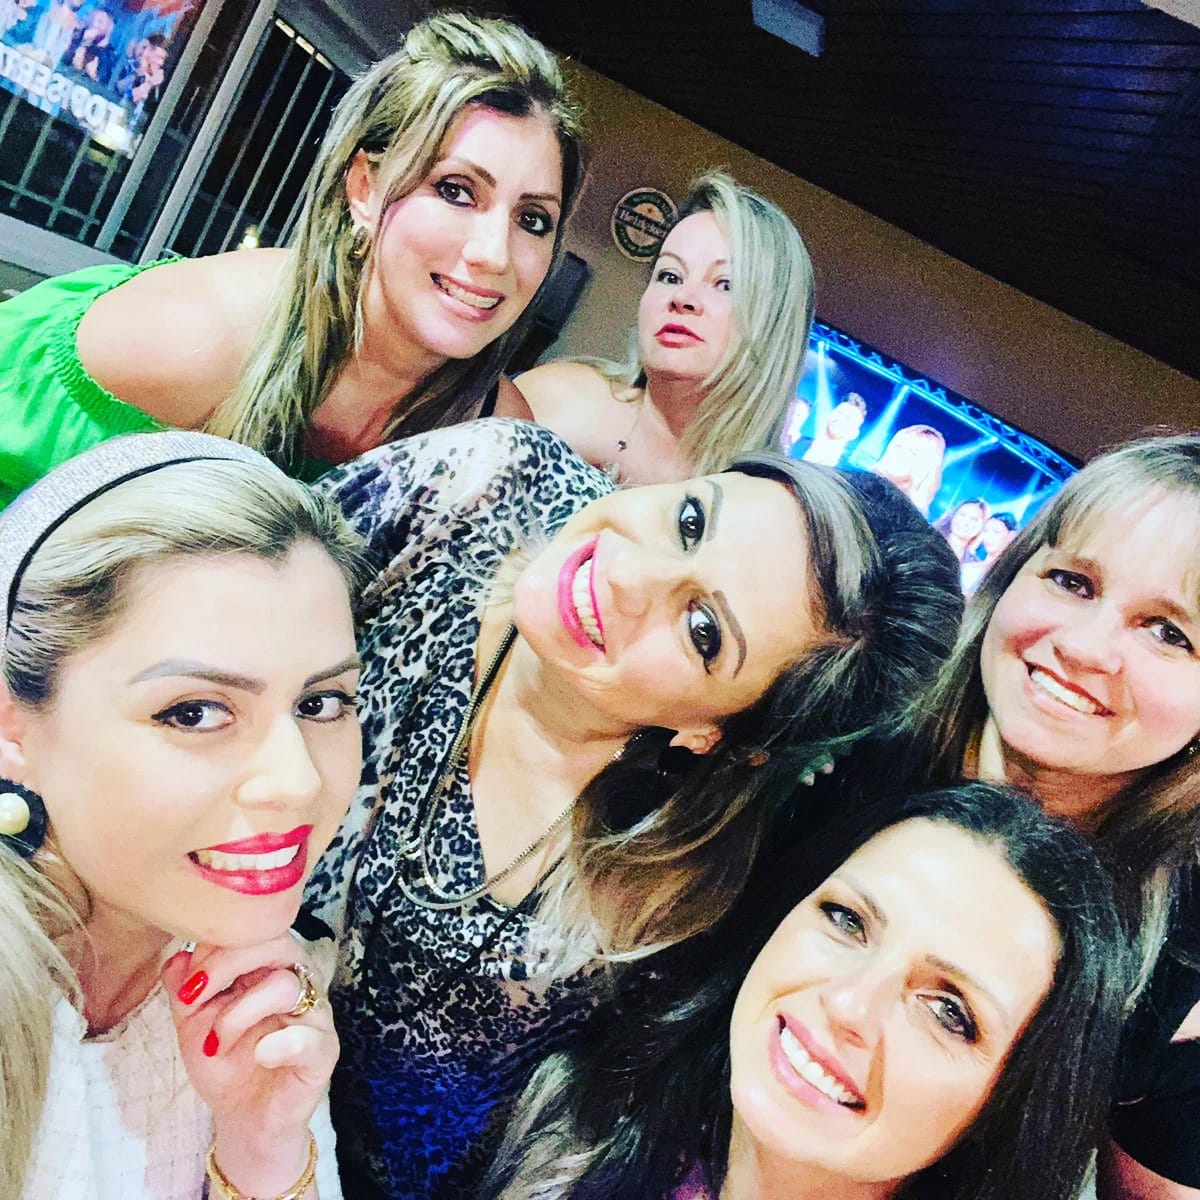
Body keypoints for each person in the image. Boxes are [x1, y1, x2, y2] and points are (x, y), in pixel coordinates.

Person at [302, 418, 963, 1199]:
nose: (626, 573)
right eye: (691, 521)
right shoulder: (483, 485)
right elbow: (214, 595)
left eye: (702, 629)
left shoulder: (657, 906)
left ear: (713, 731)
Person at [0, 11, 585, 507]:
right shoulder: (193, 335)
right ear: (364, 190)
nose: (494, 254)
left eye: (533, 219)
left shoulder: (497, 437)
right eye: (456, 191)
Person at [0, 431, 365, 1198]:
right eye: (195, 712)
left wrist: (263, 1149)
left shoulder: (255, 994)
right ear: (13, 730)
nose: (297, 782)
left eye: (321, 703)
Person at [488, 782, 1130, 1200]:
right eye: (847, 921)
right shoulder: (567, 1121)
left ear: (1010, 1104)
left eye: (948, 1012)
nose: (849, 1004)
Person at [907, 434, 1200, 1199]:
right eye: (1072, 581)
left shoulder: (1185, 961)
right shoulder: (831, 755)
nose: (1084, 646)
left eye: (1169, 632)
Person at [513, 172, 814, 483]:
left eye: (725, 284)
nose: (682, 298)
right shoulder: (559, 396)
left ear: (775, 322)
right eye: (670, 276)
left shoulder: (762, 496)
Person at [872, 424, 945, 516]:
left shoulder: (908, 514)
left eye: (913, 452)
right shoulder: (862, 480)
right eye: (899, 446)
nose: (900, 453)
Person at [801, 392, 868, 468]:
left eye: (848, 418)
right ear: (830, 415)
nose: (840, 419)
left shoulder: (847, 472)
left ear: (854, 434)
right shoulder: (796, 444)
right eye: (840, 413)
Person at [959, 510, 1016, 594]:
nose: (989, 537)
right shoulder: (967, 567)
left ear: (1011, 536)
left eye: (996, 532)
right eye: (986, 531)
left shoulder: (1009, 574)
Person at [932, 497, 988, 564]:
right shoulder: (929, 537)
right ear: (953, 515)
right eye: (962, 515)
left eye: (974, 519)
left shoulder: (974, 565)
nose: (965, 522)